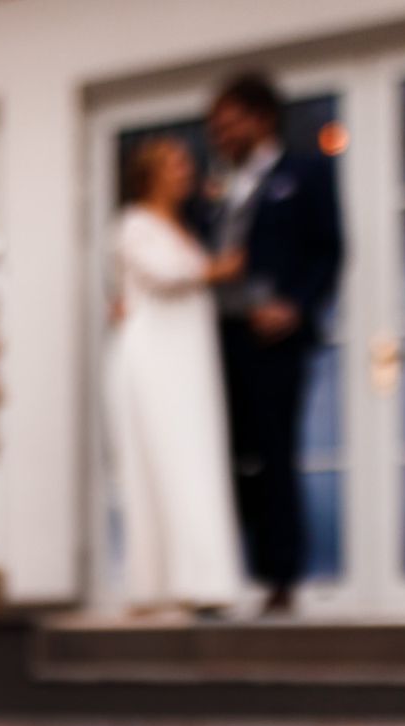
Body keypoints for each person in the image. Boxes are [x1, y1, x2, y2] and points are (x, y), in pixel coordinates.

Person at [207, 71, 344, 616]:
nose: (221, 135)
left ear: (261, 117)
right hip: (223, 338)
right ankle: (225, 573)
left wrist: (294, 306)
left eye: (229, 123)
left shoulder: (305, 173)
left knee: (274, 453)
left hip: (274, 339)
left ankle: (280, 577)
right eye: (216, 127)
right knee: (227, 456)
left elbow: (329, 251)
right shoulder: (219, 188)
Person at [104, 136, 249, 617]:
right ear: (149, 173)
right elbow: (164, 274)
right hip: (155, 358)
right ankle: (161, 584)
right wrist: (219, 269)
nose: (186, 169)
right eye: (175, 162)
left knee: (195, 459)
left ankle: (200, 580)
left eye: (187, 161)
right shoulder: (134, 224)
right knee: (163, 460)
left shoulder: (188, 226)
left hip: (188, 359)